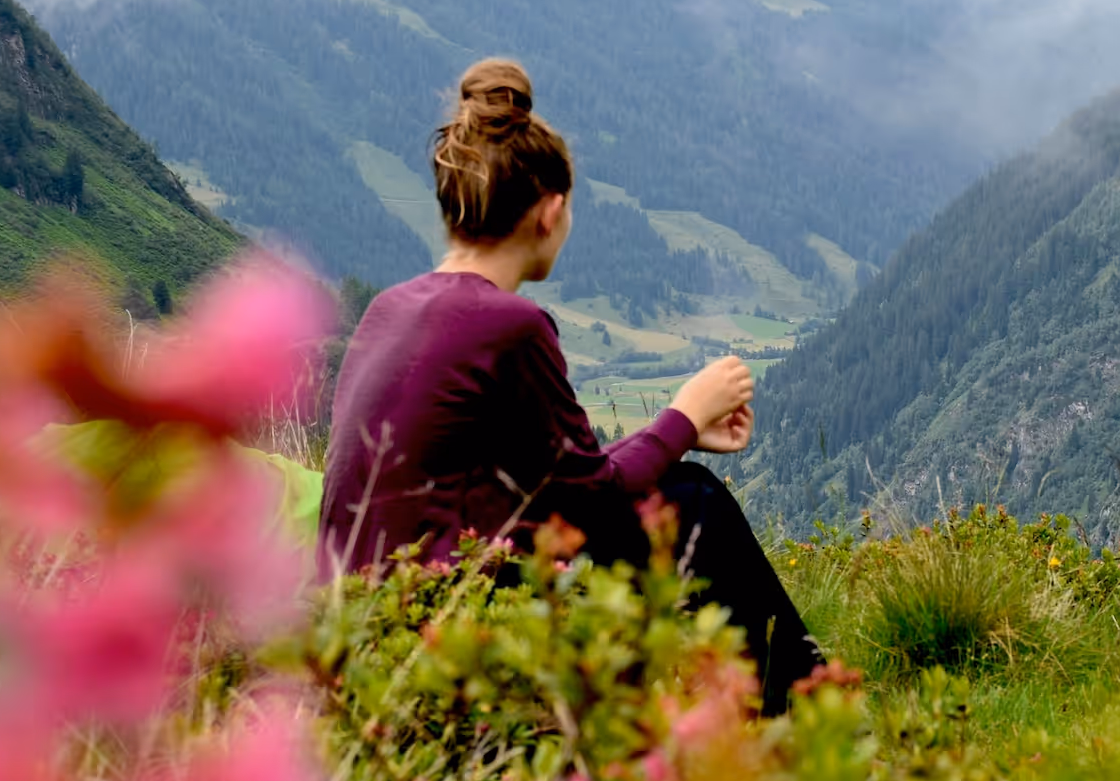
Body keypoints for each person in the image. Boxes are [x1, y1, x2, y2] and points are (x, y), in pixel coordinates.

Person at [320, 57, 823, 713]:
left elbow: (560, 485)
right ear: (550, 212)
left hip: (356, 633)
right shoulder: (511, 325)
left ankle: (763, 712)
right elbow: (596, 501)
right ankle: (810, 715)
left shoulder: (390, 308)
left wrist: (678, 431)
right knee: (691, 502)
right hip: (451, 628)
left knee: (674, 489)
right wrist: (683, 415)